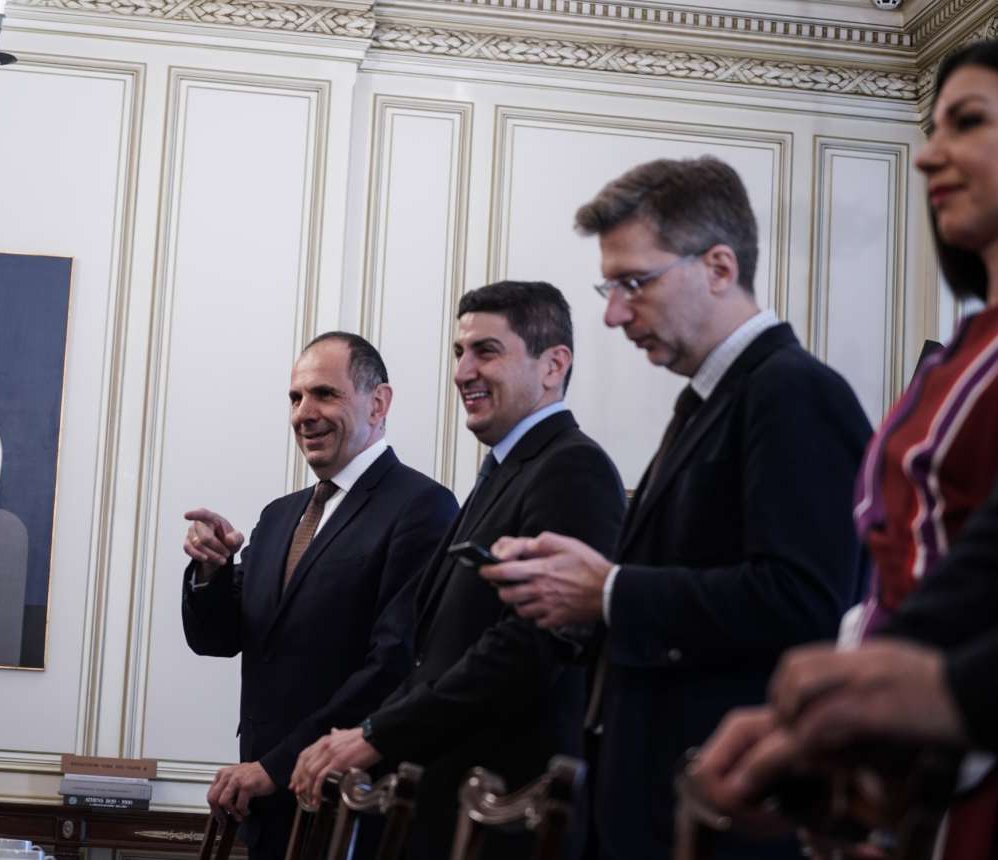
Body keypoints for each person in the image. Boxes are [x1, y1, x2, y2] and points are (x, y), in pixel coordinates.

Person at [480, 156, 872, 859]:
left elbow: (807, 601)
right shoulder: (708, 401)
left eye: (635, 282)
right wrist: (570, 585)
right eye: (609, 287)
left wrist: (610, 590)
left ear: (718, 268)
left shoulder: (792, 391)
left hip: (723, 817)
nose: (613, 313)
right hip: (659, 808)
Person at [689, 39, 998, 859]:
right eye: (932, 129)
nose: (927, 154)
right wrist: (834, 713)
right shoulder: (961, 351)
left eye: (968, 123)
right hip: (929, 770)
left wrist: (946, 691)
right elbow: (969, 572)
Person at [289, 282, 624, 860]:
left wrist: (376, 734)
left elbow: (526, 647)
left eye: (486, 352)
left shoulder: (572, 469)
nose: (463, 372)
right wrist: (366, 736)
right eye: (459, 352)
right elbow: (434, 656)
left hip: (507, 817)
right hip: (446, 807)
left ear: (553, 365)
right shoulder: (505, 473)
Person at [180, 332, 457, 860]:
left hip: (352, 810)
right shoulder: (279, 516)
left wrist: (277, 766)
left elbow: (392, 665)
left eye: (325, 394)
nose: (304, 414)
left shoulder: (423, 507)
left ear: (378, 403)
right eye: (295, 397)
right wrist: (211, 571)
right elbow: (218, 639)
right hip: (263, 808)